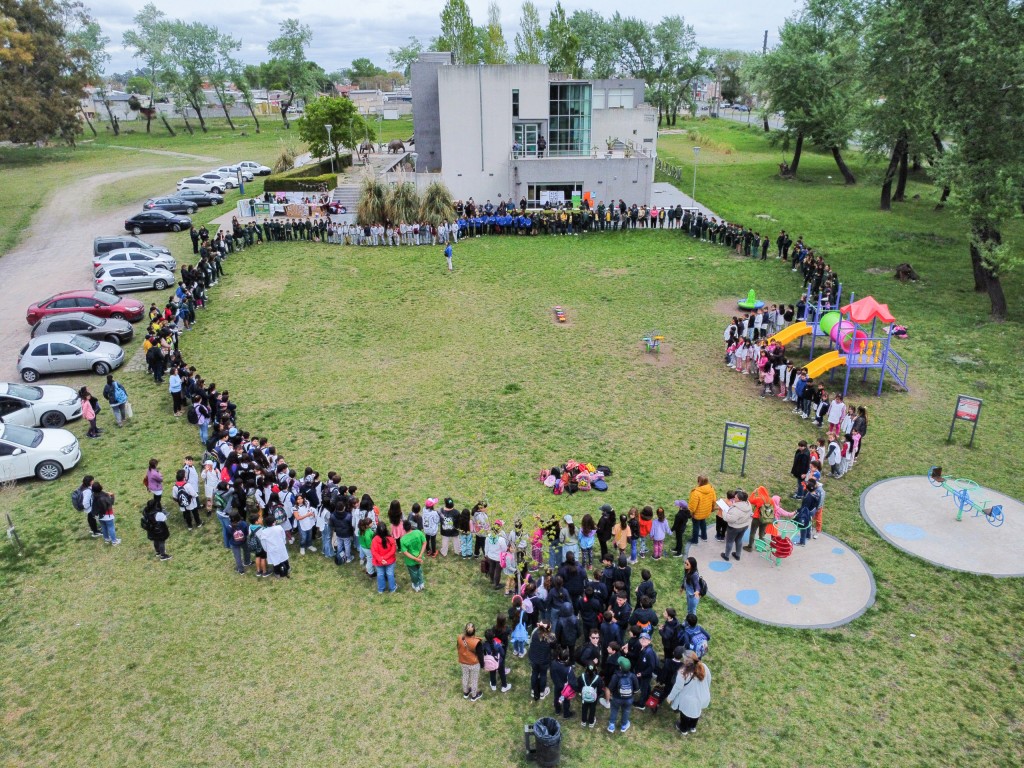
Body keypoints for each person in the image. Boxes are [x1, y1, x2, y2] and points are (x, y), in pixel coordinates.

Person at [665, 650, 712, 735]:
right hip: (703, 696)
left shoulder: (683, 672)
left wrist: (670, 697)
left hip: (689, 700)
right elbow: (709, 680)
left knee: (685, 715)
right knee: (697, 712)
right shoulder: (704, 666)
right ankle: (692, 727)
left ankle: (683, 729)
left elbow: (677, 687)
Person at [605, 656, 639, 734]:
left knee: (614, 710)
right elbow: (637, 689)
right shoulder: (633, 676)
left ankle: (611, 726)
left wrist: (612, 694)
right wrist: (631, 694)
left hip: (616, 698)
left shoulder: (616, 676)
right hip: (629, 699)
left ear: (620, 667)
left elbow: (610, 687)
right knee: (626, 711)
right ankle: (624, 726)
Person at [722, 490, 753, 561]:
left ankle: (726, 556)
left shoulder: (736, 509)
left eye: (735, 498)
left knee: (729, 541)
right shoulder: (748, 504)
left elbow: (729, 519)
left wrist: (724, 511)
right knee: (739, 540)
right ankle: (737, 555)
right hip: (744, 526)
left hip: (734, 528)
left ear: (740, 500)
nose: (734, 499)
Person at [528, 621, 555, 702]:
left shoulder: (535, 632)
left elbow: (530, 642)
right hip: (544, 660)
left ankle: (533, 691)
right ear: (549, 628)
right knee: (543, 675)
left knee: (534, 673)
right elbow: (554, 647)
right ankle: (542, 693)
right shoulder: (551, 637)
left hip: (534, 659)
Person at [458, 623, 485, 702]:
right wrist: (482, 665)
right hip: (474, 664)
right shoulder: (477, 642)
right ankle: (474, 696)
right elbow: (480, 655)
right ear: (474, 631)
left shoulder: (460, 638)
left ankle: (465, 692)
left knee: (465, 676)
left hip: (463, 661)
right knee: (474, 679)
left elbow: (458, 648)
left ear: (465, 630)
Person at [399, 519, 427, 591]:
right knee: (419, 569)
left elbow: (405, 552)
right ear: (411, 526)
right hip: (420, 557)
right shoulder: (418, 532)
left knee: (413, 572)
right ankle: (421, 583)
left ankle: (416, 585)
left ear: (404, 529)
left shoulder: (403, 539)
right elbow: (424, 543)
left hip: (410, 560)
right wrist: (420, 555)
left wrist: (415, 559)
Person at [688, 476, 716, 545]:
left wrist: (690, 513)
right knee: (703, 523)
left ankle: (695, 540)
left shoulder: (696, 492)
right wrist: (712, 508)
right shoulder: (711, 489)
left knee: (696, 526)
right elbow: (714, 500)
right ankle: (704, 537)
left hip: (697, 514)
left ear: (699, 482)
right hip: (706, 511)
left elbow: (693, 506)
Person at [371, 522, 398, 593]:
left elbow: (374, 552)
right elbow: (393, 550)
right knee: (390, 574)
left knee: (380, 574)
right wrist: (385, 558)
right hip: (389, 561)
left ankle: (381, 589)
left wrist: (381, 559)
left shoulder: (374, 540)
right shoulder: (390, 539)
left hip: (379, 562)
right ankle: (392, 588)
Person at [578, 659, 604, 728]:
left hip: (584, 696)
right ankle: (591, 722)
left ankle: (583, 721)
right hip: (593, 698)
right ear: (595, 668)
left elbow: (579, 685)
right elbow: (600, 689)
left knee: (584, 708)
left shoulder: (582, 676)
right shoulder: (598, 679)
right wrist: (598, 695)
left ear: (586, 668)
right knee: (592, 709)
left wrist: (580, 692)